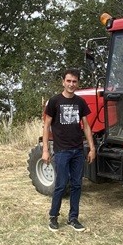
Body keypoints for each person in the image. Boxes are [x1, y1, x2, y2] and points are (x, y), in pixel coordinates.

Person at [42, 68, 96, 231]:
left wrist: (92, 148)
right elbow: (46, 126)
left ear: (77, 83)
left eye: (74, 81)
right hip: (61, 151)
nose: (71, 84)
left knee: (77, 185)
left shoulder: (80, 102)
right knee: (60, 184)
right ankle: (53, 217)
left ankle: (73, 218)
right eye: (69, 81)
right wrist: (45, 149)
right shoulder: (54, 101)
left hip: (78, 151)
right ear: (63, 82)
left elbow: (86, 126)